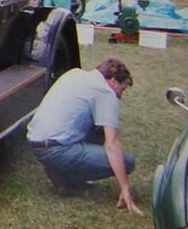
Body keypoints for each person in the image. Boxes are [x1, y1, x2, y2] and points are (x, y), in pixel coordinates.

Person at [27, 58, 142, 216]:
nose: (120, 96)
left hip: (36, 143)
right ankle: (66, 174)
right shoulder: (105, 92)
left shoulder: (75, 74)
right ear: (113, 80)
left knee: (98, 134)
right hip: (55, 150)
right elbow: (112, 144)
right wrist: (125, 187)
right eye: (122, 90)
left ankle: (61, 170)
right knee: (127, 161)